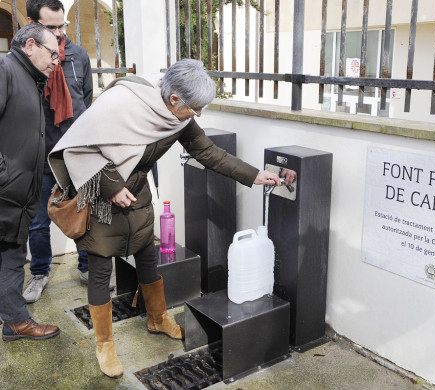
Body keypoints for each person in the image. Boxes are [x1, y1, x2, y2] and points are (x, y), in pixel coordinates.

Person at [48, 59, 281, 378]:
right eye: (196, 108)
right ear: (174, 99)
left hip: (138, 192)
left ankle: (157, 319)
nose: (198, 115)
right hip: (102, 196)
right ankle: (104, 345)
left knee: (147, 256)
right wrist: (113, 186)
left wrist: (254, 175)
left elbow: (208, 152)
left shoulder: (178, 116)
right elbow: (80, 148)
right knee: (101, 268)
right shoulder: (120, 103)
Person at [23, 0, 99, 304]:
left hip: (76, 156)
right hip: (40, 157)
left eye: (61, 26)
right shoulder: (26, 61)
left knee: (84, 215)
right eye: (50, 27)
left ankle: (87, 267)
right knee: (39, 223)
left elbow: (87, 101)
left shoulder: (78, 56)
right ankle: (39, 273)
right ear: (31, 24)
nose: (58, 34)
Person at [0, 24, 61, 342]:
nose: (56, 60)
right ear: (30, 46)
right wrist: (4, 175)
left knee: (10, 255)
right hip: (6, 192)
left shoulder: (30, 79)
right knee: (10, 257)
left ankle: (14, 320)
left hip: (17, 193)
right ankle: (15, 321)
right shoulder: (6, 71)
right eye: (52, 53)